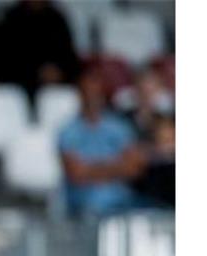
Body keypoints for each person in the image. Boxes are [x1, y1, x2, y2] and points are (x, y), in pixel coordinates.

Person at [59, 67, 144, 217]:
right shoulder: (68, 131)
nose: (92, 97)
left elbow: (134, 168)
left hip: (123, 203)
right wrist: (117, 167)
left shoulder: (120, 127)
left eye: (96, 93)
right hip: (82, 208)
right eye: (88, 92)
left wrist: (91, 169)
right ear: (80, 95)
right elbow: (76, 173)